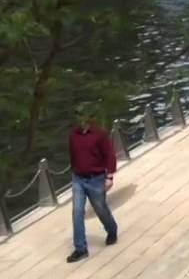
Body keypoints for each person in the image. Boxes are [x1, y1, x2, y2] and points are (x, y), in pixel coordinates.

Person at [66, 106, 119, 263]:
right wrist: (74, 171)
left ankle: (112, 229)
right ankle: (81, 249)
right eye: (77, 115)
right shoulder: (73, 134)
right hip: (78, 179)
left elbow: (109, 155)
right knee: (77, 212)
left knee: (101, 209)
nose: (80, 119)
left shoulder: (99, 134)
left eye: (82, 116)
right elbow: (72, 154)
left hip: (96, 178)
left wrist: (109, 176)